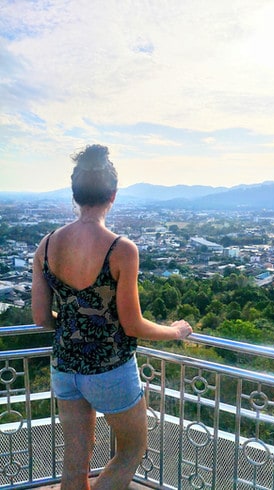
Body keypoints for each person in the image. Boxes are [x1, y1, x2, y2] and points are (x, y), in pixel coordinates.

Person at [32, 144, 192, 490]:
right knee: (132, 449)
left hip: (65, 366)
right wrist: (175, 331)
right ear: (113, 195)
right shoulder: (121, 250)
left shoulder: (44, 247)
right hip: (110, 369)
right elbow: (132, 324)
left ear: (75, 195)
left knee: (75, 459)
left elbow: (41, 317)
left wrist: (75, 320)